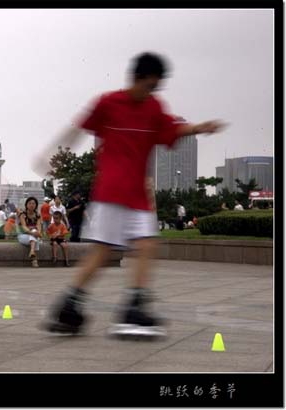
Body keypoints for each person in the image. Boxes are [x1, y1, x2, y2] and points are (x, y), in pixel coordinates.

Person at [34, 52, 225, 335]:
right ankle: (70, 305)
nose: (151, 92)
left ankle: (133, 305)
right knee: (102, 252)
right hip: (111, 192)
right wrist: (52, 154)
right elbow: (77, 128)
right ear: (135, 78)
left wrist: (200, 127)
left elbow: (172, 128)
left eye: (155, 87)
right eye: (148, 85)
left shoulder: (154, 107)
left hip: (137, 194)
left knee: (148, 243)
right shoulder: (108, 103)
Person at [17, 196, 42, 268]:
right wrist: (34, 233)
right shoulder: (22, 214)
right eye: (30, 203)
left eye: (33, 203)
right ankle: (34, 259)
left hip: (33, 236)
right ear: (26, 205)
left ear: (36, 205)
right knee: (34, 235)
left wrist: (38, 233)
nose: (32, 205)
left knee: (34, 236)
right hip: (22, 235)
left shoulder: (37, 215)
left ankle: (32, 252)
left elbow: (39, 226)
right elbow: (24, 227)